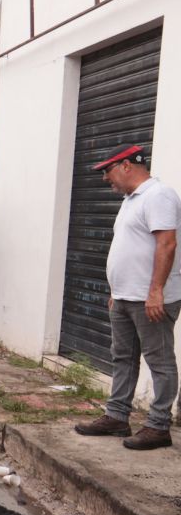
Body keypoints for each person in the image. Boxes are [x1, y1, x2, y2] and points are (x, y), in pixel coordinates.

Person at [75, 145, 180, 451]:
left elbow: (167, 244)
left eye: (107, 171)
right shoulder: (130, 200)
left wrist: (156, 291)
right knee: (122, 357)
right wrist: (116, 290)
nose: (105, 178)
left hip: (150, 298)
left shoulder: (158, 195)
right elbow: (130, 247)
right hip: (124, 297)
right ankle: (117, 416)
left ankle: (159, 426)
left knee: (159, 361)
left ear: (125, 165)